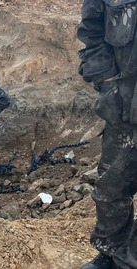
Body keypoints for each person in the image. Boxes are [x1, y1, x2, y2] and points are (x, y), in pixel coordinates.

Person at [77, 1, 137, 268]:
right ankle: (111, 253)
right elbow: (92, 31)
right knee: (111, 187)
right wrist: (107, 83)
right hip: (121, 108)